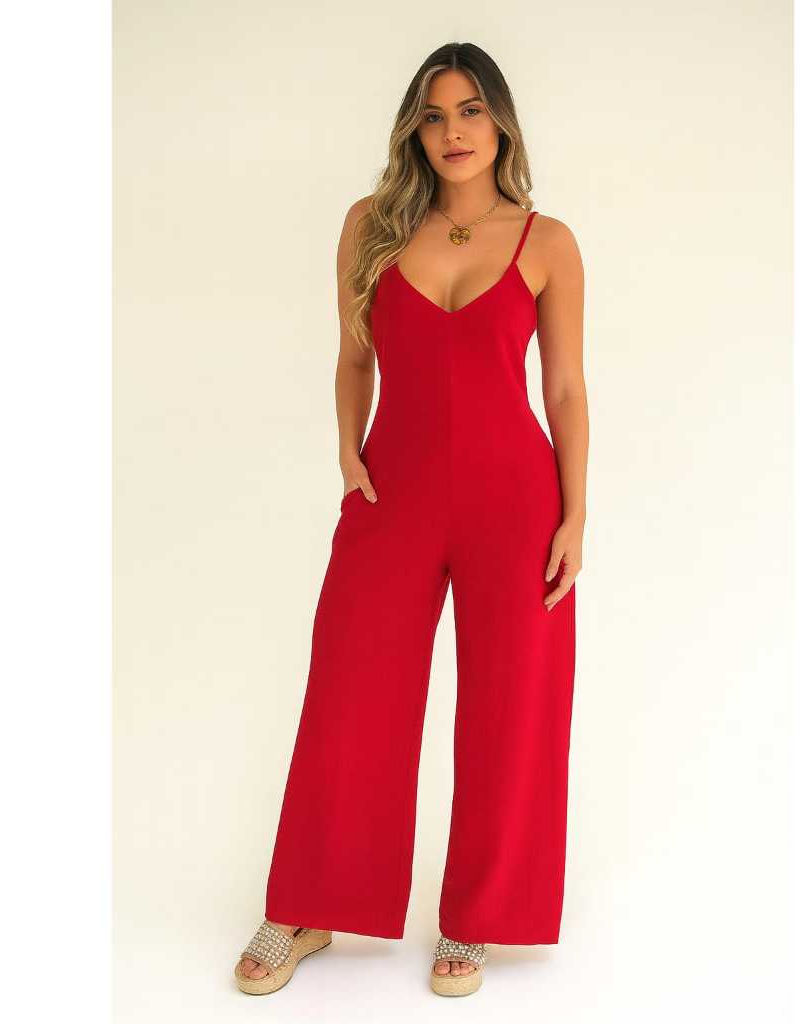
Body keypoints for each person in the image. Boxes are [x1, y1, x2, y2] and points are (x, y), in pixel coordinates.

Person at [234, 41, 588, 998]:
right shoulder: (371, 224)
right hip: (391, 493)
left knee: (514, 705)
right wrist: (347, 449)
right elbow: (355, 355)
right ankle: (308, 904)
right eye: (434, 115)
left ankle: (478, 917)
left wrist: (575, 514)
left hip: (516, 500)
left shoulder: (546, 241)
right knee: (350, 688)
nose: (453, 132)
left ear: (500, 120)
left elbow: (563, 387)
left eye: (470, 111)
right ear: (413, 130)